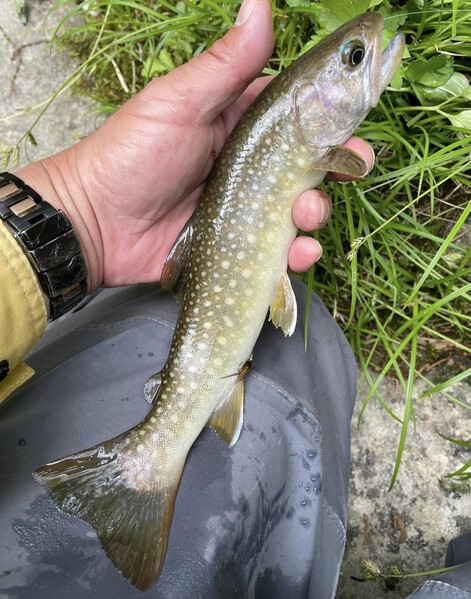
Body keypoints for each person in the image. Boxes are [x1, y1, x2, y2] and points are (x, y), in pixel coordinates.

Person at [0, 0, 468, 597]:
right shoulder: (296, 136)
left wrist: (86, 207)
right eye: (355, 59)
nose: (368, 56)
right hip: (207, 342)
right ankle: (145, 468)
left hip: (183, 328)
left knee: (295, 333)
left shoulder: (300, 135)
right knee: (306, 341)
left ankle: (147, 461)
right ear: (307, 108)